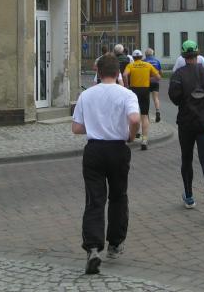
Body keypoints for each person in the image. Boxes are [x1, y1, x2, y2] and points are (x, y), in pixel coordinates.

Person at [72, 54, 140, 275]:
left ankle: (93, 248)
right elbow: (134, 119)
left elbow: (76, 128)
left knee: (95, 199)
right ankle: (115, 243)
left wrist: (95, 125)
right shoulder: (127, 94)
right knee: (118, 196)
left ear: (98, 73)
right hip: (118, 149)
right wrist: (131, 135)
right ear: (118, 73)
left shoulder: (86, 95)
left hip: (94, 150)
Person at [168, 40, 204, 219]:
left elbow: (174, 98)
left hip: (186, 123)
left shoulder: (178, 74)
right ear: (198, 54)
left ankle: (189, 196)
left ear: (183, 55)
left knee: (187, 159)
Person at [123, 49, 160, 150]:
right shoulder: (148, 65)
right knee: (144, 115)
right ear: (141, 57)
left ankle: (133, 134)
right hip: (145, 90)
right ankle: (144, 140)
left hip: (133, 90)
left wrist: (127, 86)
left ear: (133, 57)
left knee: (132, 113)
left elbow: (125, 75)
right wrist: (148, 78)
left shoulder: (130, 65)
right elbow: (158, 77)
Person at [144, 48, 163, 123]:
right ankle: (157, 112)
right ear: (153, 54)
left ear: (145, 54)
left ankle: (147, 115)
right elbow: (160, 72)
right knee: (156, 98)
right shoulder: (157, 61)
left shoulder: (143, 61)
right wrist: (159, 77)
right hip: (155, 81)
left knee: (146, 98)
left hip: (146, 82)